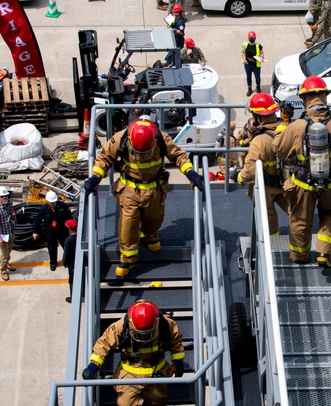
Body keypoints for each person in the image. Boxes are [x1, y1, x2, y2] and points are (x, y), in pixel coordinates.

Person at [83, 118, 204, 278]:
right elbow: (104, 158)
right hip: (130, 189)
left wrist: (190, 173)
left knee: (154, 218)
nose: (142, 156)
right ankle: (127, 258)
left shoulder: (161, 138)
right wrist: (96, 176)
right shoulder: (120, 138)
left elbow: (178, 156)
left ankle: (149, 235)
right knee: (128, 223)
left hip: (155, 189)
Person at [274, 75, 331, 267]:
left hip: (302, 184)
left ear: (305, 99)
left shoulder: (297, 126)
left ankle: (299, 257)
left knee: (299, 221)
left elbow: (278, 147)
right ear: (325, 97)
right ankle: (323, 251)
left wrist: (284, 124)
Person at [81, 300, 186, 406]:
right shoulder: (121, 326)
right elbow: (104, 343)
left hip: (156, 371)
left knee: (156, 402)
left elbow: (176, 341)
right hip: (130, 372)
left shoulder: (165, 324)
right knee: (127, 402)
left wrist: (178, 362)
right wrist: (94, 364)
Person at [237, 93, 290, 235]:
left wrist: (240, 178)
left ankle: (272, 242)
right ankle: (302, 237)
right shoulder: (286, 129)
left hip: (267, 186)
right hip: (288, 183)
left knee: (267, 215)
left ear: (258, 117)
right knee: (296, 212)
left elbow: (250, 170)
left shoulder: (259, 140)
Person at [33, 191, 72, 271]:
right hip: (50, 231)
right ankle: (53, 263)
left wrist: (71, 228)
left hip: (62, 230)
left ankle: (68, 261)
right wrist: (35, 231)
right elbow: (38, 220)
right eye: (51, 203)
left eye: (54, 202)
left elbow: (69, 217)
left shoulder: (63, 206)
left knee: (66, 246)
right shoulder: (44, 209)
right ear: (47, 202)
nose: (53, 204)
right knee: (52, 248)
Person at [0, 186, 17, 282]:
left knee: (9, 249)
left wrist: (14, 217)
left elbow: (12, 212)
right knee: (3, 254)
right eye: (2, 196)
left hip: (10, 232)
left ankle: (7, 263)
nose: (5, 198)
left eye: (6, 196)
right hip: (3, 235)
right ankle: (3, 270)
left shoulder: (9, 203)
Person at [242, 31, 264, 96]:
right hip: (248, 64)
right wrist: (244, 59)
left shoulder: (258, 46)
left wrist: (262, 57)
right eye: (250, 38)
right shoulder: (245, 45)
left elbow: (262, 53)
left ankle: (258, 87)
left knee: (257, 77)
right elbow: (243, 53)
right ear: (248, 38)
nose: (252, 39)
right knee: (248, 77)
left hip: (256, 65)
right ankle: (249, 89)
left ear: (255, 38)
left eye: (253, 38)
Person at [63, 218, 78, 303]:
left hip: (72, 264)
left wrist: (65, 262)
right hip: (82, 262)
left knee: (72, 280)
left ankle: (73, 297)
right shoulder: (80, 237)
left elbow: (67, 254)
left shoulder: (68, 240)